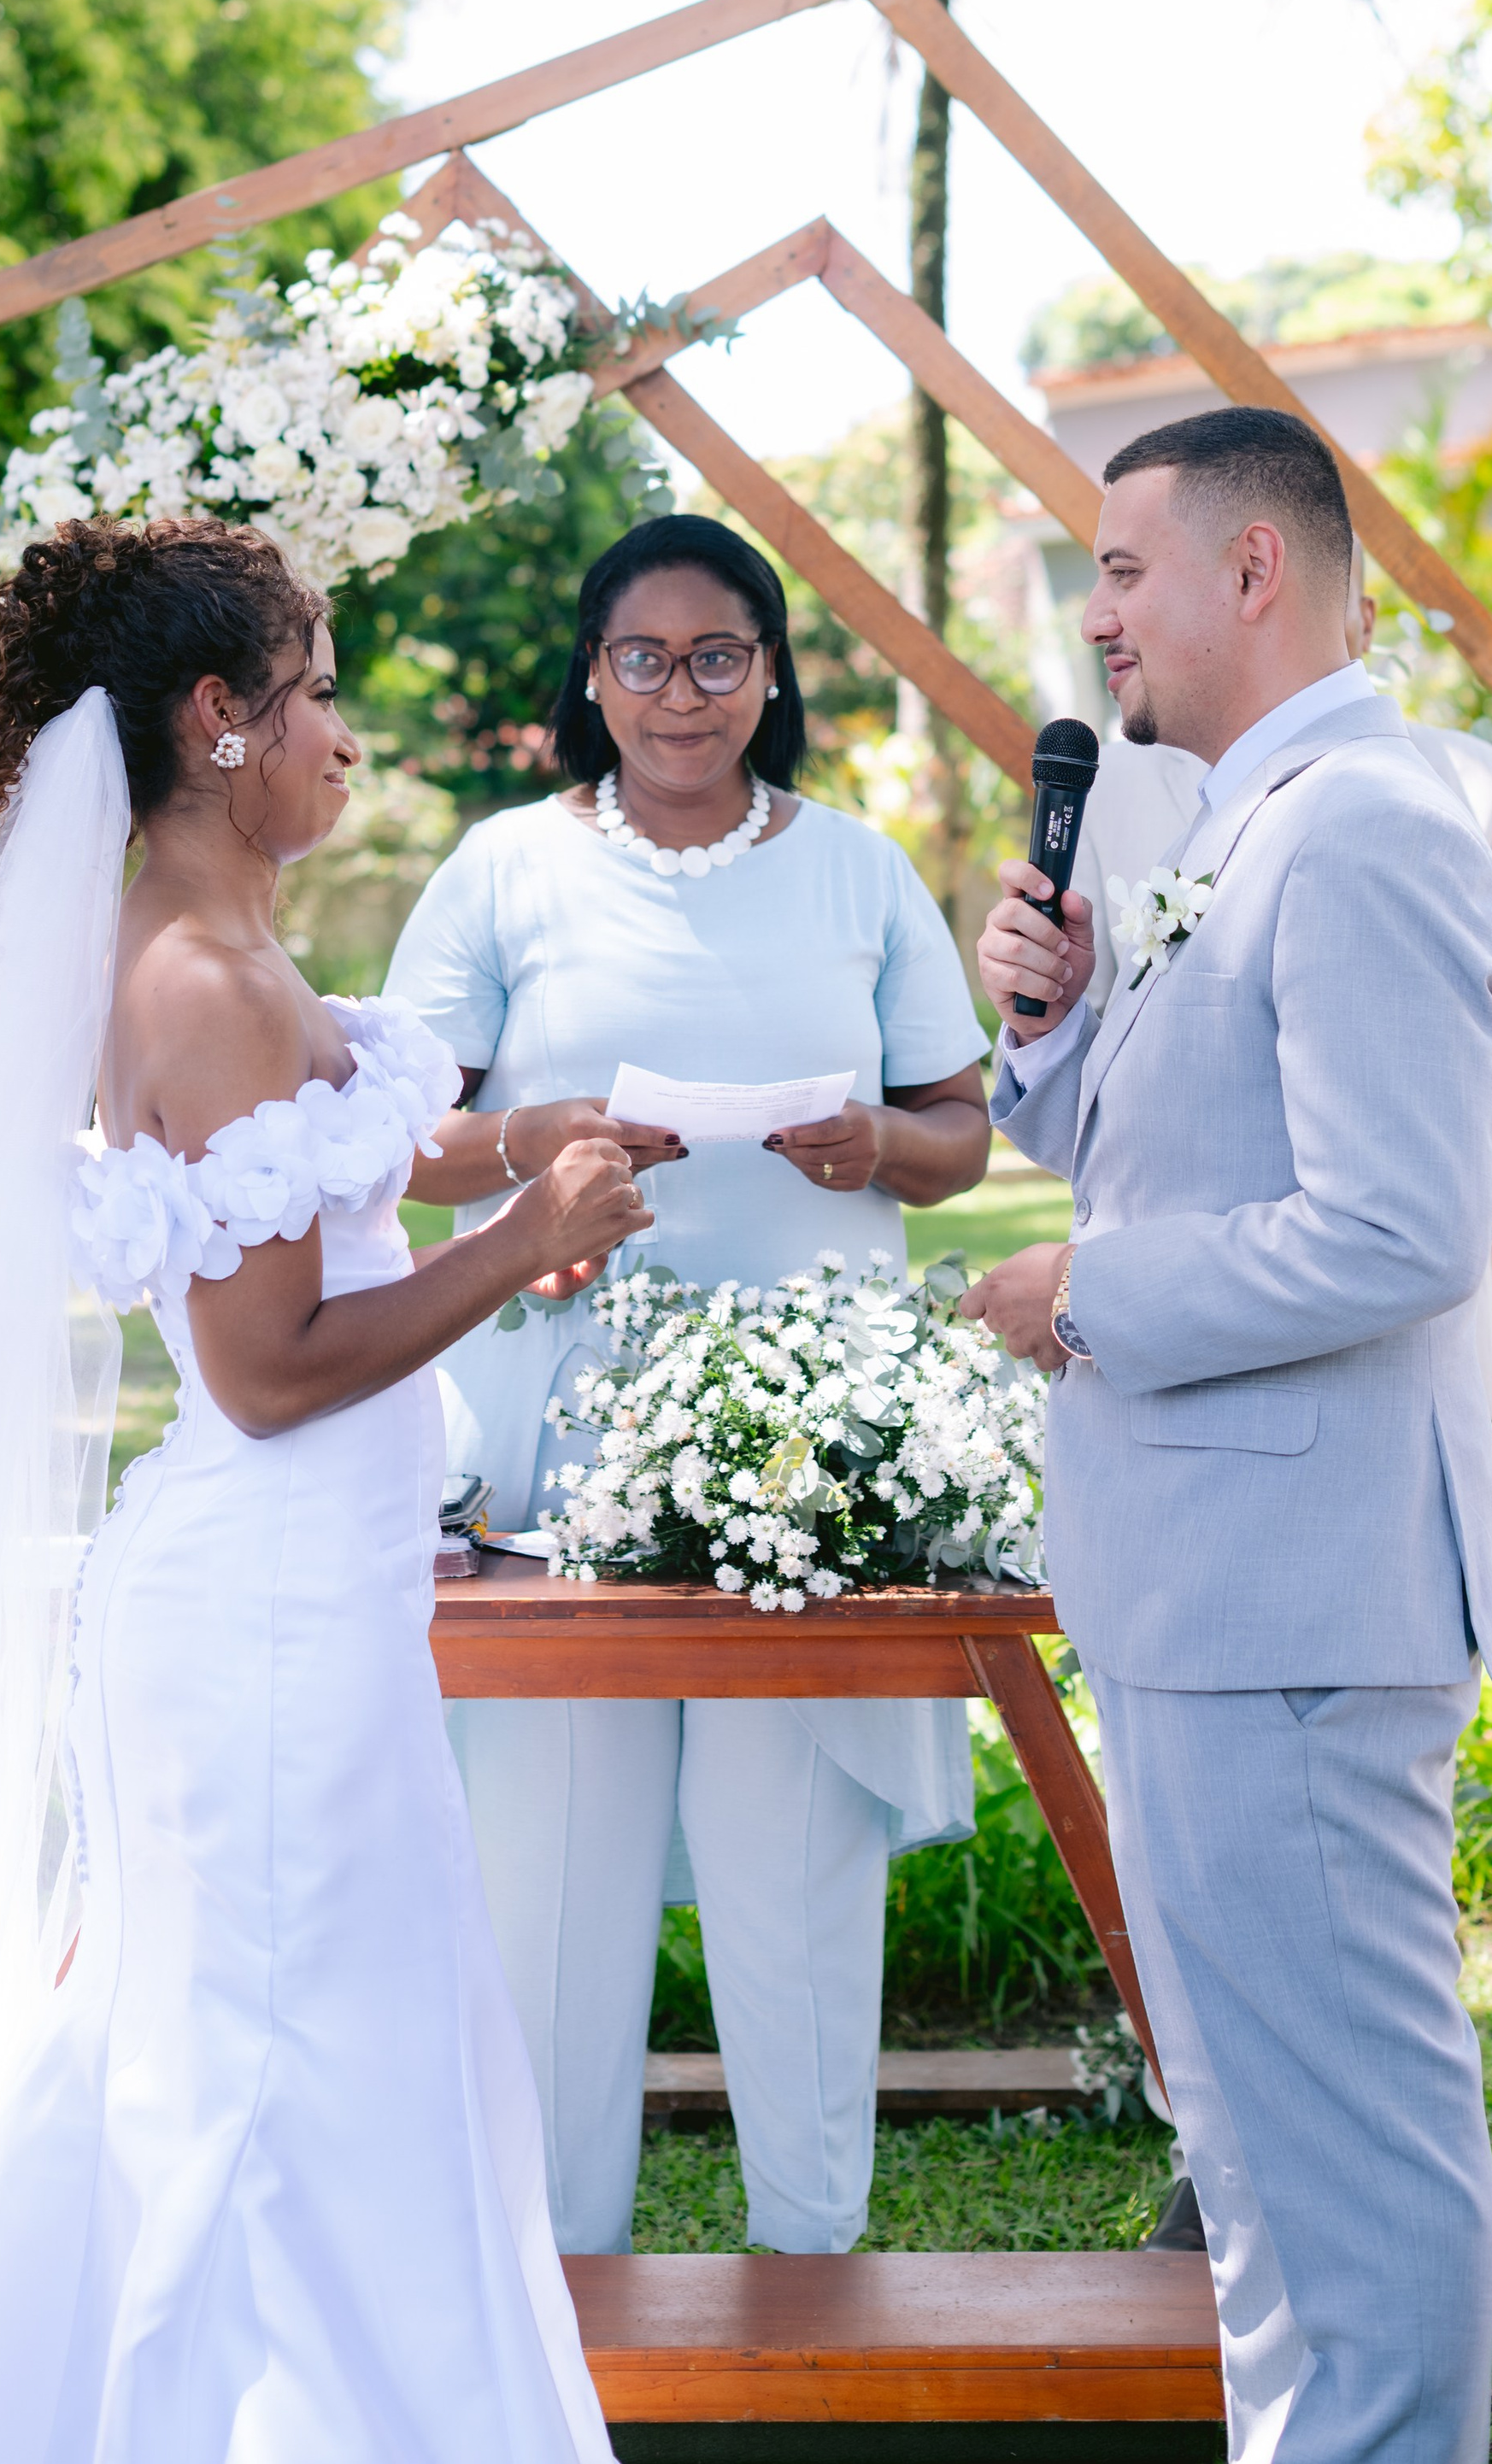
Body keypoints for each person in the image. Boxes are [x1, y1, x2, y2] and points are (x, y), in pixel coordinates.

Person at [0, 518, 647, 2464]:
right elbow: (263, 1374)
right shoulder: (196, 969)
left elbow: (326, 1157)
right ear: (214, 715)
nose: (344, 730)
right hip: (262, 1613)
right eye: (317, 686)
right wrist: (528, 1233)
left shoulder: (207, 935)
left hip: (283, 1601)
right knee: (276, 2084)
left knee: (218, 2054)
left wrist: (516, 1138)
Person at [960, 408, 1492, 2464]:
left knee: (1346, 2167)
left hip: (1293, 1600)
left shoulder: (1361, 818)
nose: (1093, 612)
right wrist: (1056, 1029)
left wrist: (1080, 1294)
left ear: (1250, 571)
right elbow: (1185, 1136)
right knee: (1262, 2165)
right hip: (1209, 1588)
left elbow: (1392, 1222)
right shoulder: (1223, 820)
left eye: (1120, 568)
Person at [385, 513, 990, 2260]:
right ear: (590, 676)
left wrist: (884, 1138)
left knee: (788, 1881)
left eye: (716, 653)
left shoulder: (860, 872)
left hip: (807, 1459)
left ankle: (815, 2271)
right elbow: (401, 1142)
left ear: (771, 670)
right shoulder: (504, 868)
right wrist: (529, 1159)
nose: (678, 692)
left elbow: (958, 1130)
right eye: (641, 657)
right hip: (558, 1447)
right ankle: (557, 2293)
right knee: (552, 1893)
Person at [1068, 551, 1492, 1414]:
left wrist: (1386, 1100)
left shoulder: (1479, 787)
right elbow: (1098, 1066)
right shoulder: (1111, 780)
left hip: (1398, 1344)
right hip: (1157, 1306)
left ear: (1362, 619)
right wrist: (1043, 1025)